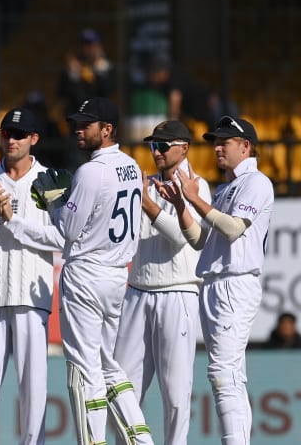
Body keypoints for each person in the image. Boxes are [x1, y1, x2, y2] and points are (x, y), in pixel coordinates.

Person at [35, 97, 153, 444]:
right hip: (117, 274)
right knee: (108, 365)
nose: (78, 129)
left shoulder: (90, 170)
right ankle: (140, 439)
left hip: (86, 272)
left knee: (84, 370)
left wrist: (55, 202)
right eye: (78, 122)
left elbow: (67, 230)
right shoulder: (132, 165)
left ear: (107, 129)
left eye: (86, 124)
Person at [155, 116, 274, 444]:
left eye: (225, 142)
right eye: (215, 142)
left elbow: (235, 229)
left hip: (235, 283)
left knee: (224, 375)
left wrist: (194, 198)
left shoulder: (257, 182)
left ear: (246, 146)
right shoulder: (225, 188)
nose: (218, 148)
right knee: (227, 374)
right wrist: (181, 205)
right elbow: (198, 240)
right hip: (215, 283)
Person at [0, 108, 65, 445]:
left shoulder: (51, 180)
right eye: (6, 133)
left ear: (34, 139)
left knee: (33, 392)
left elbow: (63, 238)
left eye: (19, 135)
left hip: (32, 300)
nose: (11, 140)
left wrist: (13, 222)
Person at [112, 120, 211, 445]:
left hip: (177, 292)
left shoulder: (198, 186)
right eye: (153, 145)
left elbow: (181, 238)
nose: (156, 151)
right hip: (137, 292)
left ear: (184, 147)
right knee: (120, 389)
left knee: (176, 394)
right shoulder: (145, 185)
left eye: (163, 145)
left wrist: (146, 203)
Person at [57, 29, 115, 120]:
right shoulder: (71, 68)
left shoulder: (105, 67)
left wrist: (99, 71)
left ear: (98, 46)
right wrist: (74, 76)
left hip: (98, 118)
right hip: (76, 118)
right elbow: (62, 94)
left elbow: (107, 93)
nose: (86, 48)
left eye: (90, 44)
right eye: (83, 44)